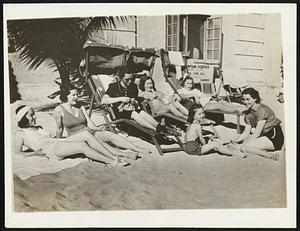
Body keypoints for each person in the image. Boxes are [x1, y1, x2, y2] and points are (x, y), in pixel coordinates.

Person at [14, 105, 130, 167]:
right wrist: (35, 153)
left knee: (85, 134)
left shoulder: (38, 127)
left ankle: (113, 156)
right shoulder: (20, 134)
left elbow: (56, 135)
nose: (34, 117)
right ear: (23, 118)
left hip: (56, 142)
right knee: (81, 145)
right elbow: (18, 153)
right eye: (31, 116)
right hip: (49, 149)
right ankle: (112, 161)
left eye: (34, 115)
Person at [54, 86, 151, 157]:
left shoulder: (80, 106)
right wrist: (58, 141)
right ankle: (125, 155)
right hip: (76, 136)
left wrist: (97, 129)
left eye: (77, 95)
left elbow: (89, 122)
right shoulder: (59, 110)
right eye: (73, 95)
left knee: (110, 135)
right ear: (66, 96)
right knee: (100, 142)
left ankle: (137, 149)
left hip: (88, 131)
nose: (76, 97)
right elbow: (59, 128)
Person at [101, 69, 167, 132]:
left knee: (142, 113)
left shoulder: (133, 86)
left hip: (131, 108)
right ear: (121, 78)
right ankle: (154, 130)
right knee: (134, 113)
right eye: (127, 79)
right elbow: (103, 101)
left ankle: (159, 126)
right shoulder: (113, 86)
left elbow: (136, 99)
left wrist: (134, 101)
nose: (130, 81)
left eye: (132, 79)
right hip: (119, 112)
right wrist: (121, 99)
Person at [230, 87, 284, 160]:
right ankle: (259, 149)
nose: (245, 102)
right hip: (264, 136)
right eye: (243, 99)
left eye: (248, 99)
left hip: (274, 137)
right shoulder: (248, 112)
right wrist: (235, 141)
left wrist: (242, 144)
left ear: (255, 99)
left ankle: (270, 155)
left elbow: (257, 133)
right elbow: (246, 131)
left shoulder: (261, 109)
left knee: (244, 147)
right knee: (243, 145)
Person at [178, 76, 247, 113]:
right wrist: (193, 95)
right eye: (187, 83)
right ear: (183, 83)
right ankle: (237, 110)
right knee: (219, 105)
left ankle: (240, 107)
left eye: (191, 83)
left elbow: (203, 95)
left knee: (222, 102)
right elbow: (182, 96)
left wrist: (212, 94)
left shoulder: (195, 90)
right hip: (202, 105)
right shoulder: (181, 90)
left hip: (206, 100)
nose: (189, 85)